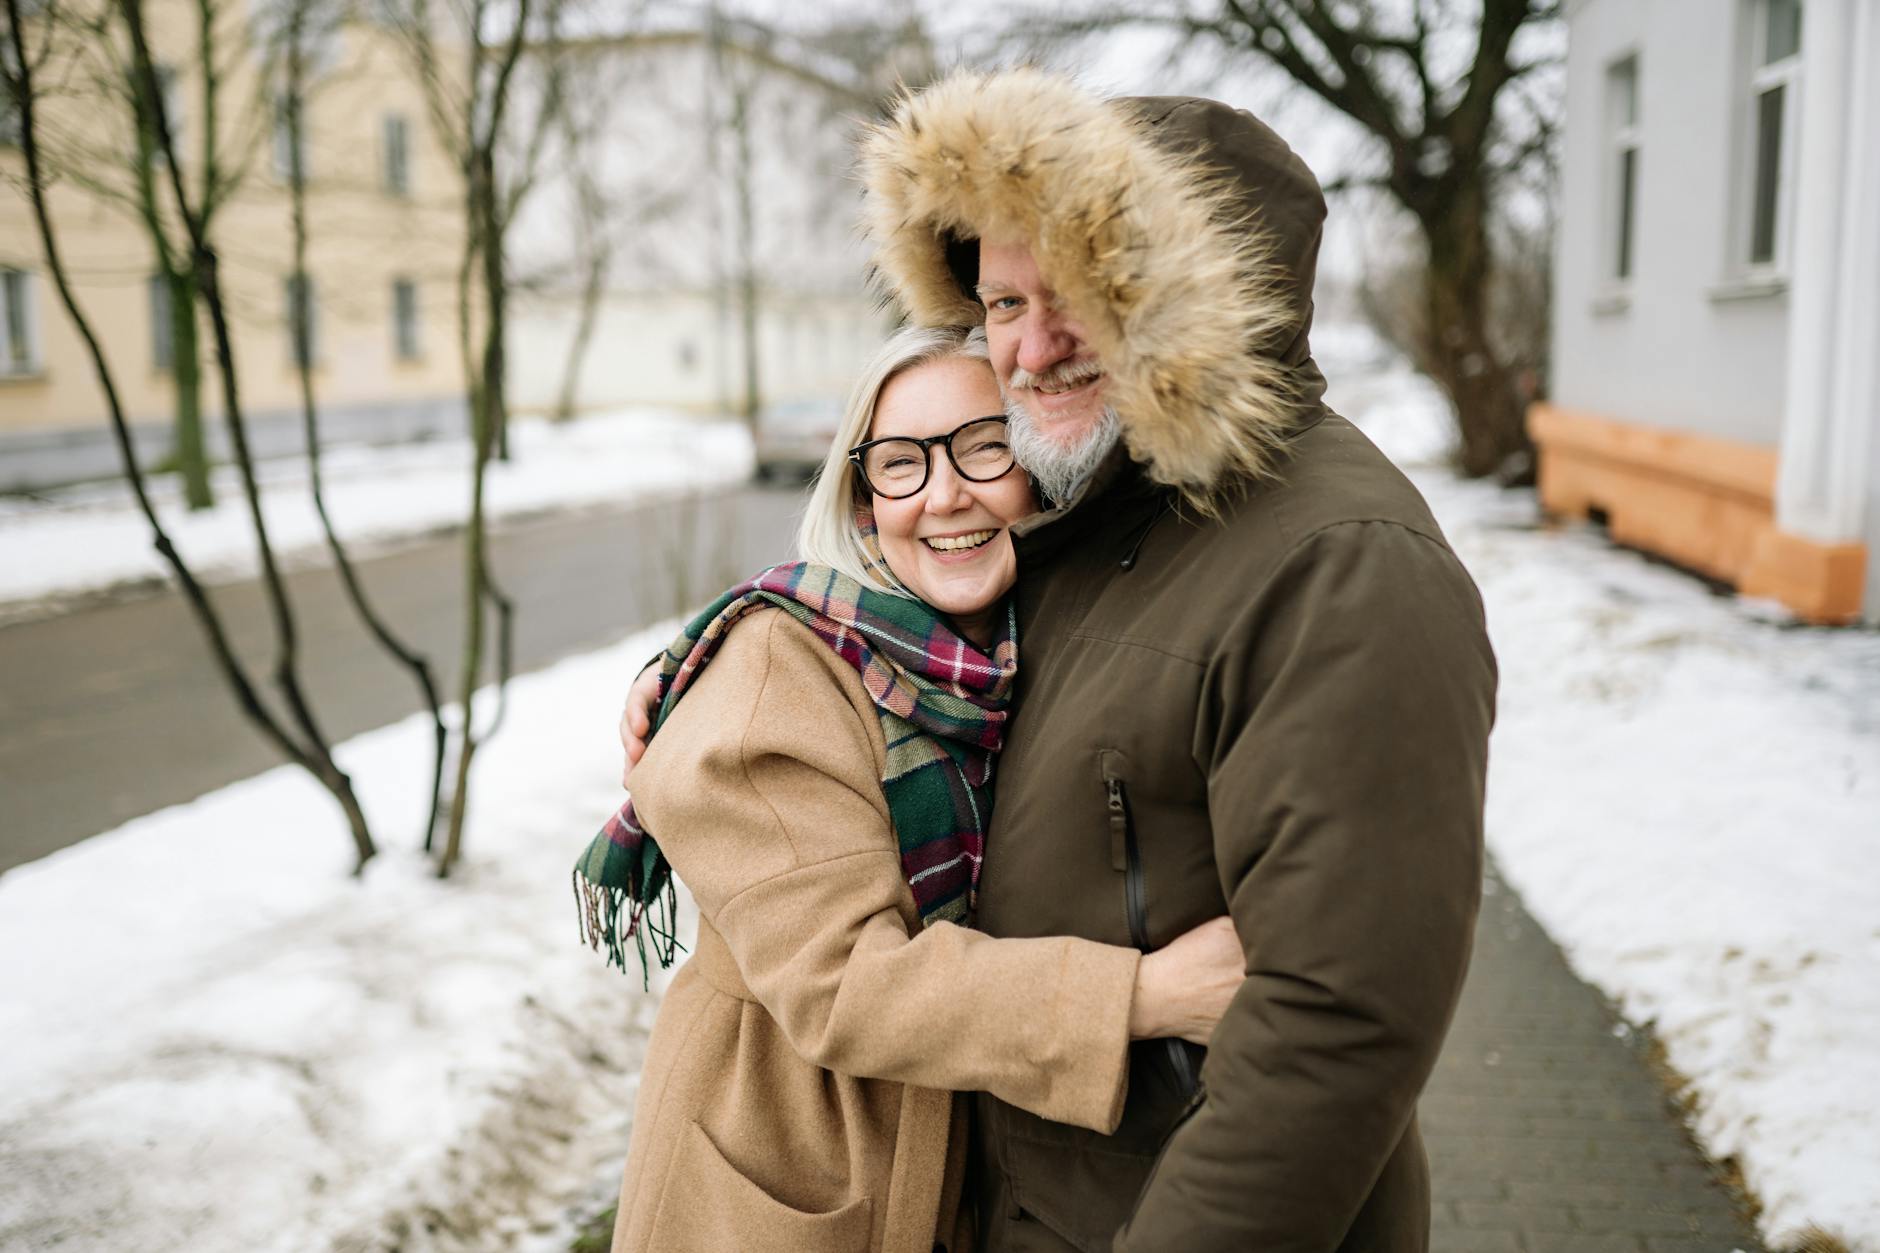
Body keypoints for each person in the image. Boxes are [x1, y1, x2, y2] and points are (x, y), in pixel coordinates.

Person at [623, 68, 1498, 1252]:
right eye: (998, 303)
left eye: (1079, 287)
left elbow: (1330, 1037)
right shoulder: (1077, 523)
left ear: (1199, 289)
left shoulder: (1341, 565)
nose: (1030, 347)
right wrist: (691, 697)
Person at [581, 324, 1245, 1253]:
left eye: (983, 446)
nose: (944, 494)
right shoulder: (778, 672)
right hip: (785, 1166)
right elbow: (845, 983)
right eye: (900, 463)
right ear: (862, 496)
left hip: (945, 1167)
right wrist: (1145, 996)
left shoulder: (1004, 650)